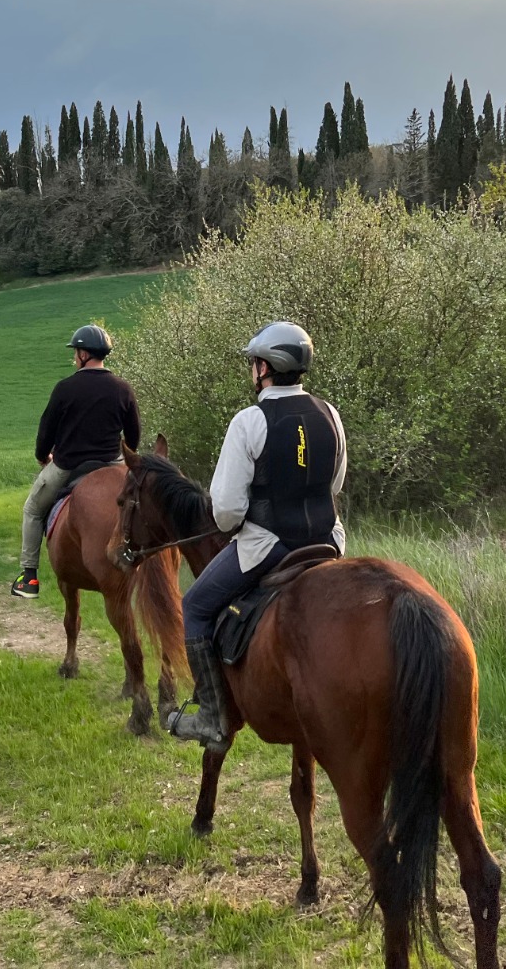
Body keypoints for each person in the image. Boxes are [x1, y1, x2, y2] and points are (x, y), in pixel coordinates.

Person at [165, 320, 347, 749]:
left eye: (254, 363)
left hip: (270, 548)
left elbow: (225, 510)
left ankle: (211, 716)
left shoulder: (250, 421)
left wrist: (242, 522)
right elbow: (334, 484)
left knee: (194, 605)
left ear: (265, 368)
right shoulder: (330, 414)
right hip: (328, 542)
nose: (252, 369)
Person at [13, 324, 141, 598]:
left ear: (83, 354)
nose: (75, 357)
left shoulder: (65, 388)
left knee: (33, 510)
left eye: (76, 352)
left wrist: (42, 456)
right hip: (112, 463)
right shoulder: (123, 388)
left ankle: (29, 577)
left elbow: (45, 431)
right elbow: (134, 437)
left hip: (69, 465)